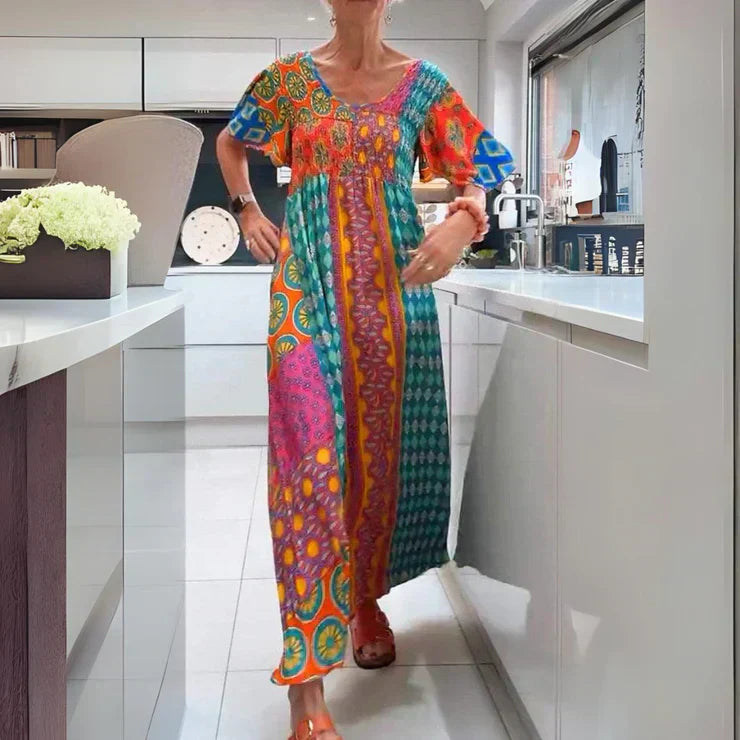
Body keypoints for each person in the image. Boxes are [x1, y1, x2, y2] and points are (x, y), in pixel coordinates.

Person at [217, 1, 514, 737]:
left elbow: (484, 165)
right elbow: (231, 140)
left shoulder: (423, 86)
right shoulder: (289, 81)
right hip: (305, 289)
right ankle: (306, 682)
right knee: (308, 460)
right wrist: (246, 208)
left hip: (390, 292)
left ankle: (365, 599)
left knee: (378, 456)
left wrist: (463, 219)